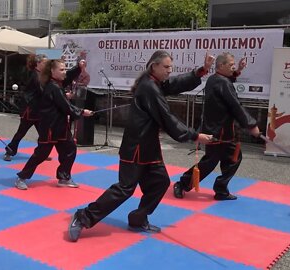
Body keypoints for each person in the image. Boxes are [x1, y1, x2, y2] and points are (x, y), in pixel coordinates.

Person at [67, 50, 214, 242]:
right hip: (135, 147)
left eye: (171, 67)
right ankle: (83, 216)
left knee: (160, 183)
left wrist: (201, 71)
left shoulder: (155, 83)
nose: (170, 70)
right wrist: (195, 136)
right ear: (154, 66)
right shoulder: (149, 88)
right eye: (166, 67)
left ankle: (138, 218)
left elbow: (174, 84)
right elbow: (166, 116)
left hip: (149, 147)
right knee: (125, 188)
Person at [173, 52, 260, 201]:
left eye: (234, 65)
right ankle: (182, 184)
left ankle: (221, 189)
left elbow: (229, 80)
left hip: (225, 131)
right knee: (209, 162)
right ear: (220, 66)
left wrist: (238, 70)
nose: (233, 68)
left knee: (234, 158)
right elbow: (235, 106)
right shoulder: (222, 82)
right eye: (231, 65)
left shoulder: (216, 79)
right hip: (217, 131)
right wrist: (251, 125)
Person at [15, 59, 94, 190]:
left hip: (61, 126)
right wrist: (82, 112)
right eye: (61, 70)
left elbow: (65, 87)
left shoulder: (57, 84)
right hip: (50, 127)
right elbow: (65, 106)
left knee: (70, 149)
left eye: (64, 69)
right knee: (41, 154)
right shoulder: (53, 86)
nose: (64, 72)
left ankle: (64, 177)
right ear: (52, 71)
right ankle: (21, 177)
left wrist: (78, 68)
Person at [3, 54, 49, 162]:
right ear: (39, 63)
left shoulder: (41, 75)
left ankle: (41, 154)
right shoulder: (34, 75)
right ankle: (9, 151)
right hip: (30, 110)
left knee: (44, 133)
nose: (46, 64)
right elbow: (41, 91)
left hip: (38, 110)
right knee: (21, 132)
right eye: (45, 62)